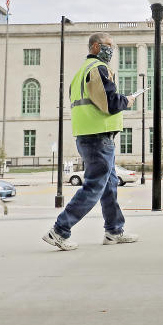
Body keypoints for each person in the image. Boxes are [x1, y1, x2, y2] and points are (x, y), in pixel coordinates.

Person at [43, 33, 137, 251]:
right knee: (94, 186)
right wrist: (128, 100)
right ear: (96, 46)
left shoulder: (80, 73)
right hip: (98, 137)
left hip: (87, 135)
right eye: (108, 46)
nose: (111, 51)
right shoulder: (98, 69)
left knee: (109, 184)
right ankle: (59, 230)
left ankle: (114, 230)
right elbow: (110, 103)